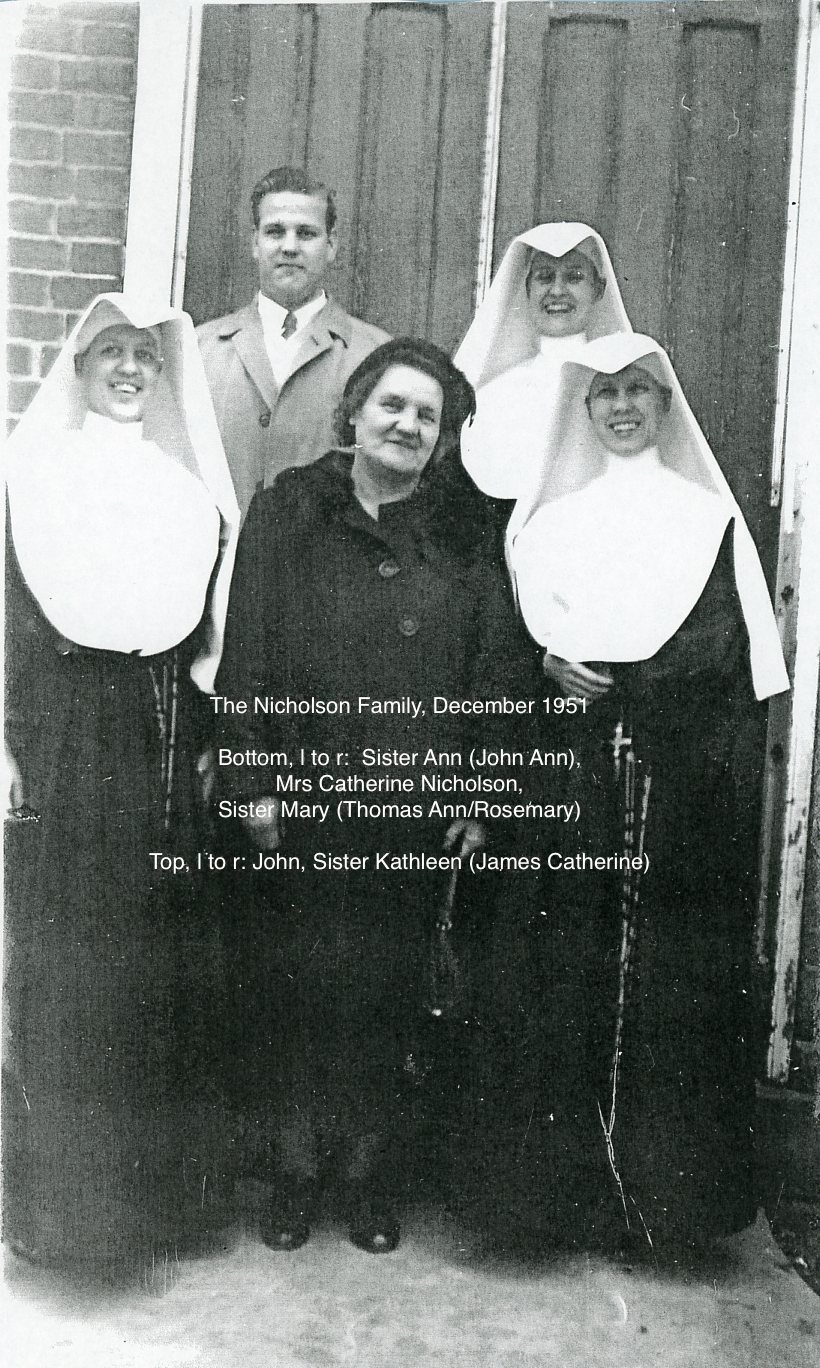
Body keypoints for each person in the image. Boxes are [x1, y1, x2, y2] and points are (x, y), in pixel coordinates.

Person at [214, 338, 529, 1254]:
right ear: (353, 413)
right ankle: (294, 1175)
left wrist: (480, 795)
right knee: (294, 989)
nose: (408, 426)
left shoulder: (466, 538)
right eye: (392, 406)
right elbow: (249, 659)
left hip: (411, 807)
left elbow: (496, 675)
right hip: (302, 805)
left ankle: (366, 1180)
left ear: (442, 441)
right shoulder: (287, 512)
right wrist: (254, 787)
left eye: (427, 417)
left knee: (387, 997)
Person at [483, 332, 788, 1254]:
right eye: (603, 394)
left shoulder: (706, 517)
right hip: (568, 778)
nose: (620, 407)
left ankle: (657, 1208)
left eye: (638, 393)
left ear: (664, 407)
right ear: (583, 410)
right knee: (554, 965)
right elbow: (508, 639)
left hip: (670, 780)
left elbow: (726, 648)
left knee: (663, 977)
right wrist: (545, 664)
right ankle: (546, 1207)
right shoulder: (546, 518)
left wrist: (635, 681)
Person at [3, 295, 236, 1276]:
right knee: (71, 958)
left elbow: (209, 630)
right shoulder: (33, 469)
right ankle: (67, 1214)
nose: (130, 368)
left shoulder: (189, 487)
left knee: (158, 960)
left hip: (161, 729)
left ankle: (153, 1211)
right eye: (112, 352)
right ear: (81, 365)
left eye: (146, 354)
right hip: (66, 722)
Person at [197, 165, 390, 524]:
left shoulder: (377, 356)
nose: (289, 246)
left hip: (325, 570)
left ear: (331, 245)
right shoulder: (199, 349)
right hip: (220, 564)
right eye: (274, 232)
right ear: (254, 243)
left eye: (306, 233)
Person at [454, 223, 632, 502]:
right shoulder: (495, 393)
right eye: (545, 277)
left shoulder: (625, 392)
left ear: (598, 290)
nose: (557, 290)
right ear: (527, 289)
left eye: (574, 277)